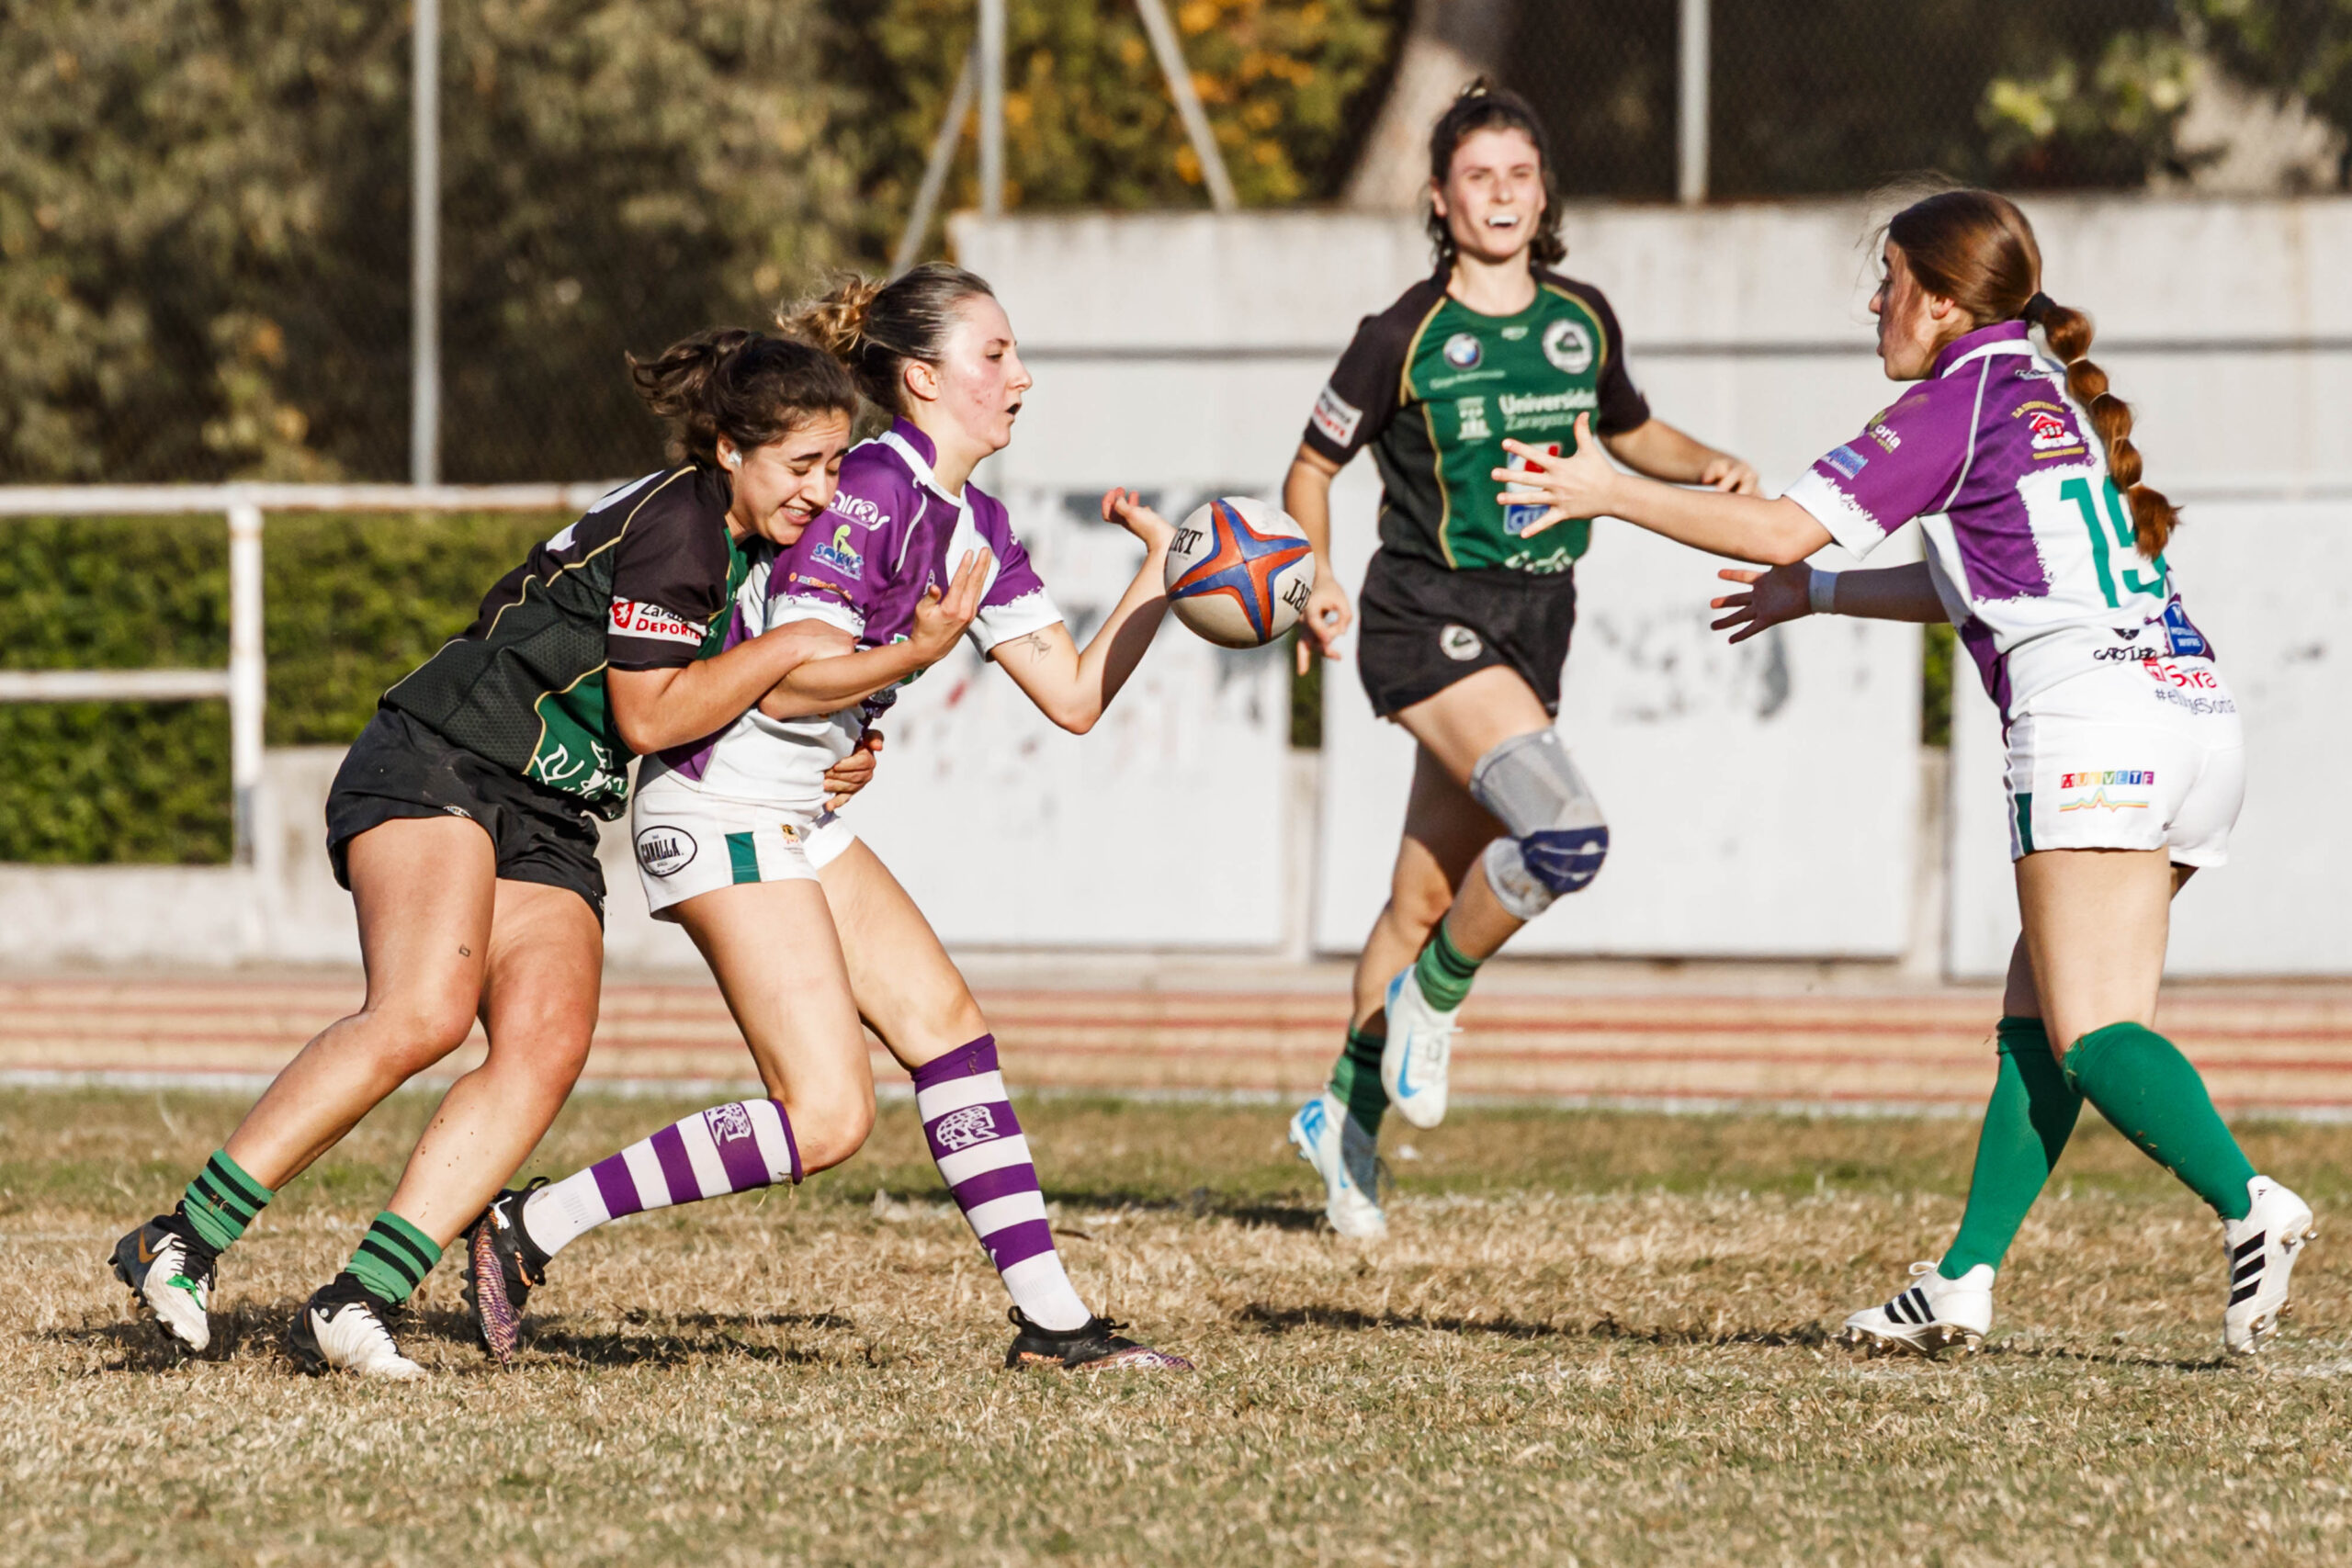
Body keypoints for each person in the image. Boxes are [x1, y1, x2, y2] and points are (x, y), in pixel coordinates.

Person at [1497, 186, 2312, 1355]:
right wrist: (1821, 593)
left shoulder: (1953, 401)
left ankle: (2249, 1203)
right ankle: (1964, 1278)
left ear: (1937, 301)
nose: (1873, 305)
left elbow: (1775, 524)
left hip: (2090, 727)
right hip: (2188, 712)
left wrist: (1606, 489)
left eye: (1886, 282)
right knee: (2045, 1021)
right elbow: (1978, 574)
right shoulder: (2047, 391)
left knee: (2092, 1032)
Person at [107, 329, 960, 1378]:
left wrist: (840, 742)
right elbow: (651, 716)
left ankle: (359, 1297)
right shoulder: (681, 527)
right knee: (424, 1012)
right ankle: (182, 1238)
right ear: (731, 449)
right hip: (447, 758)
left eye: (834, 465)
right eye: (802, 465)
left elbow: (740, 695)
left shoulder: (750, 545)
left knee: (546, 1041)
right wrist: (792, 650)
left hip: (552, 810)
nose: (823, 492)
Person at [463, 263, 1191, 1372]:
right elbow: (790, 680)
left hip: (793, 805)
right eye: (995, 355)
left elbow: (1076, 698)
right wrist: (913, 656)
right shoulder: (870, 490)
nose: (1020, 377)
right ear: (922, 378)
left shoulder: (977, 522)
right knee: (826, 1118)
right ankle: (532, 1222)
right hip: (719, 794)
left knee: (948, 1031)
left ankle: (1054, 1324)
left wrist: (1170, 574)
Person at [1283, 80, 1759, 1238]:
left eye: (1518, 175)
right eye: (1476, 177)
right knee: (1562, 835)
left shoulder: (1581, 318)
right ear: (1437, 198)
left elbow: (1627, 432)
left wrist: (1707, 463)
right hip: (1423, 619)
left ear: (1543, 194)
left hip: (1537, 624)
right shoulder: (1398, 336)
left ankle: (1341, 1126)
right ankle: (1436, 1003)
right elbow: (1310, 469)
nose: (1499, 195)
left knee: (1420, 901)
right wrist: (1314, 577)